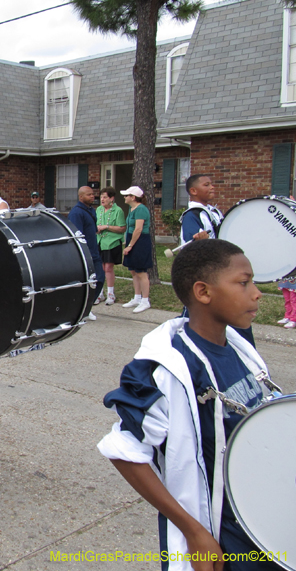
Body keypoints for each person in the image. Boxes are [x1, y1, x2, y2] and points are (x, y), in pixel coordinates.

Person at [97, 239, 282, 571]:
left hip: (260, 527)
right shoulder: (165, 368)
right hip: (221, 542)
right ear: (203, 292)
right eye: (244, 282)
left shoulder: (240, 349)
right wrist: (193, 532)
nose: (256, 293)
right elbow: (124, 451)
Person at [67, 186, 104, 321]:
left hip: (94, 252)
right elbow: (76, 235)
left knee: (99, 279)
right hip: (85, 254)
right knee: (87, 282)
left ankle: (87, 308)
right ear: (81, 197)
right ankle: (82, 310)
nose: (92, 196)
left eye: (93, 194)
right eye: (89, 195)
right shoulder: (77, 213)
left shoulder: (90, 211)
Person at [121, 186, 152, 313]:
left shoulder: (141, 209)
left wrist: (130, 245)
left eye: (126, 195)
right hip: (131, 239)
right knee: (133, 271)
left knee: (141, 272)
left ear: (133, 197)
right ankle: (137, 297)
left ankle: (145, 301)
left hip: (140, 242)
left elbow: (138, 229)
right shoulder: (131, 208)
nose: (124, 197)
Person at [96, 186, 126, 305]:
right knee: (100, 268)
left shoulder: (118, 211)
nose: (102, 199)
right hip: (99, 242)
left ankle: (111, 294)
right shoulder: (98, 210)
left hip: (112, 243)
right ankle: (100, 293)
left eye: (105, 197)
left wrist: (106, 227)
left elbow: (122, 228)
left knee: (108, 268)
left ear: (111, 198)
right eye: (101, 197)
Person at [180, 174, 224, 245]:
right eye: (206, 185)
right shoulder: (191, 215)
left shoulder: (215, 212)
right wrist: (199, 239)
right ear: (193, 191)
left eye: (211, 184)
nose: (212, 187)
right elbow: (192, 243)